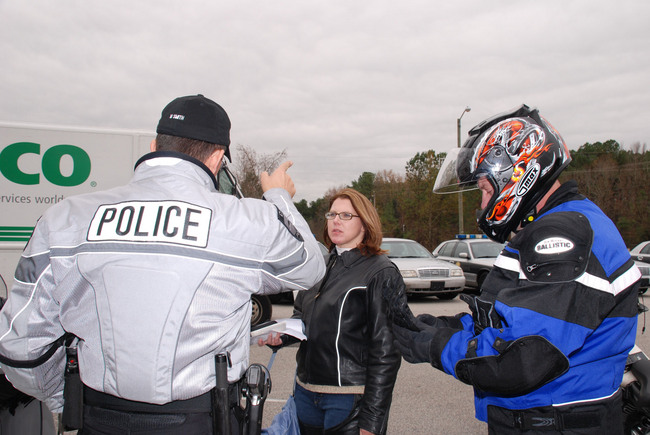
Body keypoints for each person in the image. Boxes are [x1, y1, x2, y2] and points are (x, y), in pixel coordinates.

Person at [0, 94, 326, 434]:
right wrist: (278, 196)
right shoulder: (247, 220)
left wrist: (68, 400)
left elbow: (20, 345)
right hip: (202, 422)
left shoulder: (63, 218)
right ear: (217, 157)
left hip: (97, 419)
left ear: (155, 146)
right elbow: (310, 266)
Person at [387, 104, 641, 434]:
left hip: (557, 422)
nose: (482, 204)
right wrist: (433, 325)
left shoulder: (562, 235)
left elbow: (523, 357)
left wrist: (433, 345)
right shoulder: (549, 225)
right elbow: (503, 318)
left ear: (518, 175)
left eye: (484, 190)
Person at [260, 188, 404, 435]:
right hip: (306, 393)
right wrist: (283, 335)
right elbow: (302, 318)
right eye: (332, 214)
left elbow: (387, 353)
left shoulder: (381, 272)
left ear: (365, 223)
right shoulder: (318, 266)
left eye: (346, 215)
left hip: (348, 397)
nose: (336, 221)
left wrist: (372, 421)